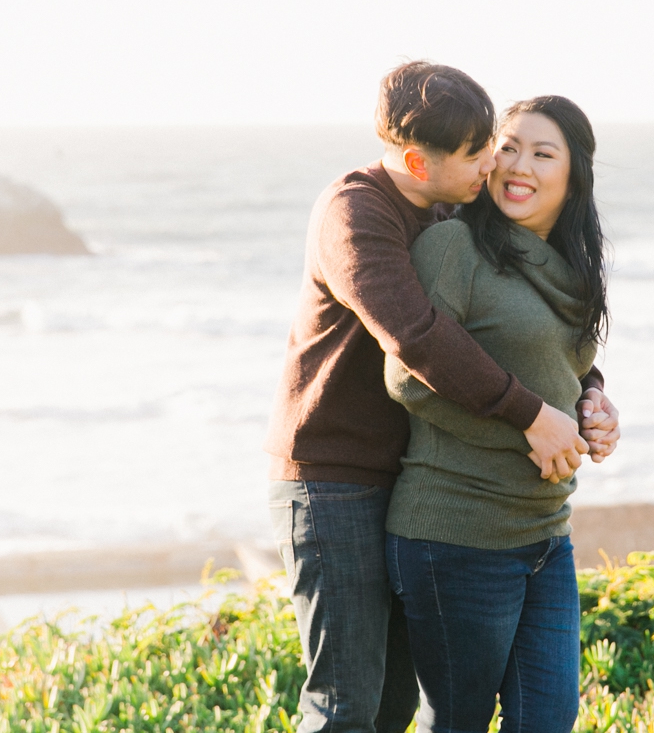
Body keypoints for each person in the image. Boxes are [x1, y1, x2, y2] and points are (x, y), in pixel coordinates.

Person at [263, 64, 621, 733]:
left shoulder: (447, 206)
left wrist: (587, 395)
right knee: (347, 705)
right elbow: (418, 339)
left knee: (395, 706)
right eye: (481, 150)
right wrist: (532, 418)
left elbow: (529, 338)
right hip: (333, 479)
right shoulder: (356, 212)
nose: (496, 161)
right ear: (416, 163)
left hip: (404, 476)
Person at [384, 95, 608, 733]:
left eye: (543, 153)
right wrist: (529, 426)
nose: (519, 165)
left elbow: (555, 366)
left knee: (546, 720)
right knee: (458, 722)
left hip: (545, 535)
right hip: (456, 533)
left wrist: (592, 404)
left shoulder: (571, 268)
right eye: (508, 146)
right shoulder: (455, 247)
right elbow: (410, 377)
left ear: (574, 173)